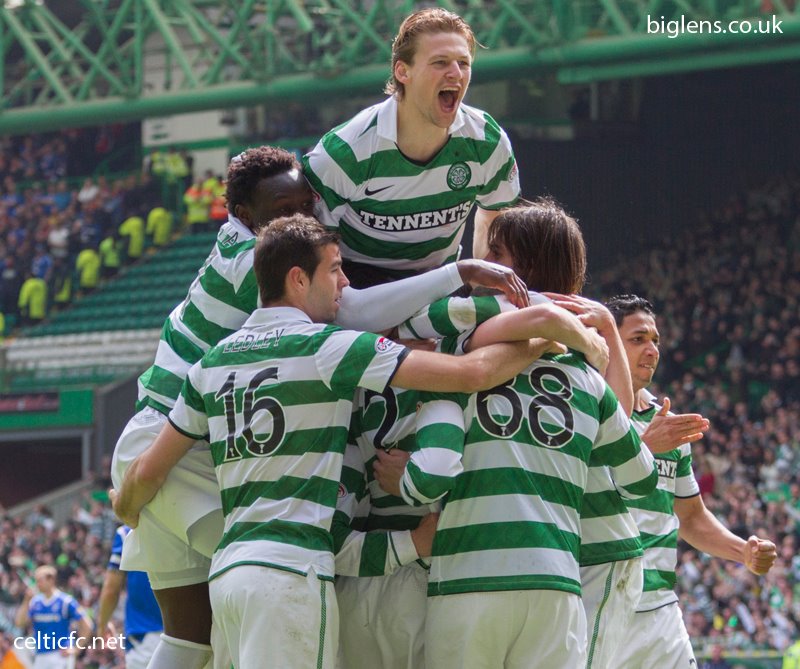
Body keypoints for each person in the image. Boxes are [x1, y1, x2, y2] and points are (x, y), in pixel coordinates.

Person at [111, 146, 528, 669]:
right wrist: (459, 273)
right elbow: (353, 313)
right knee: (271, 555)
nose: (302, 219)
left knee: (191, 638)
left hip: (163, 444)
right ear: (248, 217)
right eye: (287, 209)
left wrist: (130, 495)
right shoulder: (262, 270)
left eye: (307, 206)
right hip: (183, 457)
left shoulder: (236, 268)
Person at [374, 202, 658, 669]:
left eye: (496, 253)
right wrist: (596, 336)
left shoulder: (453, 347)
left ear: (523, 267)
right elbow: (641, 478)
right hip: (556, 587)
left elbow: (387, 331)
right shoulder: (588, 380)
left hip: (468, 580)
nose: (484, 265)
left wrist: (407, 480)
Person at [605, 294, 778, 669]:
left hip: (661, 611)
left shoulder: (668, 426)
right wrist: (643, 448)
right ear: (609, 343)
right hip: (603, 604)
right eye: (638, 339)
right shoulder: (587, 411)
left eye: (655, 340)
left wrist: (741, 551)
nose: (651, 349)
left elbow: (692, 518)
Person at [303, 7, 520, 288]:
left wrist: (484, 287)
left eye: (463, 63)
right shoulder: (344, 153)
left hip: (439, 280)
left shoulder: (488, 142)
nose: (456, 73)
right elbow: (314, 253)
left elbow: (495, 219)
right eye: (440, 62)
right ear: (402, 71)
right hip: (359, 287)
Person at [96, 525, 163, 669]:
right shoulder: (179, 520)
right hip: (193, 632)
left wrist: (102, 626)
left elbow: (111, 590)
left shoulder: (126, 533)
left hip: (147, 635)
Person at [14, 565, 92, 669]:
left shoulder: (65, 602)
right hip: (41, 655)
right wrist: (26, 601)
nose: (37, 584)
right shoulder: (35, 602)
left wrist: (77, 649)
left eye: (40, 581)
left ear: (51, 580)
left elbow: (87, 625)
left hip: (60, 655)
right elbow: (19, 623)